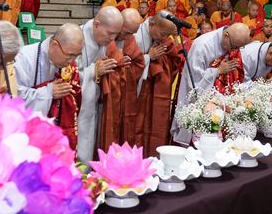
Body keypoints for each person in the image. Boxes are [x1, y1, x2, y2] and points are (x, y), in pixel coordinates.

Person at [171, 23, 251, 144]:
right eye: (234, 46)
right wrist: (218, 70)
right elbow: (194, 83)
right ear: (226, 35)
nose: (234, 50)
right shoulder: (202, 46)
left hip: (219, 97)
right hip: (200, 98)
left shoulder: (233, 44)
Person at [15, 23, 84, 148]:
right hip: (26, 137)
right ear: (54, 45)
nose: (71, 61)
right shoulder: (25, 58)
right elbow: (14, 97)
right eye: (69, 55)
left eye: (76, 56)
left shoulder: (68, 65)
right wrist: (48, 92)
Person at [76, 6, 123, 162]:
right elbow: (66, 76)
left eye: (116, 35)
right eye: (110, 34)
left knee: (89, 144)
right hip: (76, 107)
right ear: (96, 24)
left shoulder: (102, 40)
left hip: (92, 104)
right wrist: (94, 70)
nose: (112, 39)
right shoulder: (77, 38)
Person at [134, 13, 179, 156]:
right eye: (162, 34)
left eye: (167, 35)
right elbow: (126, 66)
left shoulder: (160, 38)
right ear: (152, 24)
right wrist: (149, 57)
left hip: (150, 91)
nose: (163, 38)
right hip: (136, 94)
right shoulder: (136, 36)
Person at [99, 9, 145, 151]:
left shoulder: (129, 38)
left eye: (131, 33)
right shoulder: (104, 36)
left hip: (121, 96)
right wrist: (114, 64)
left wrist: (124, 67)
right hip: (101, 98)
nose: (127, 37)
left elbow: (139, 63)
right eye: (126, 32)